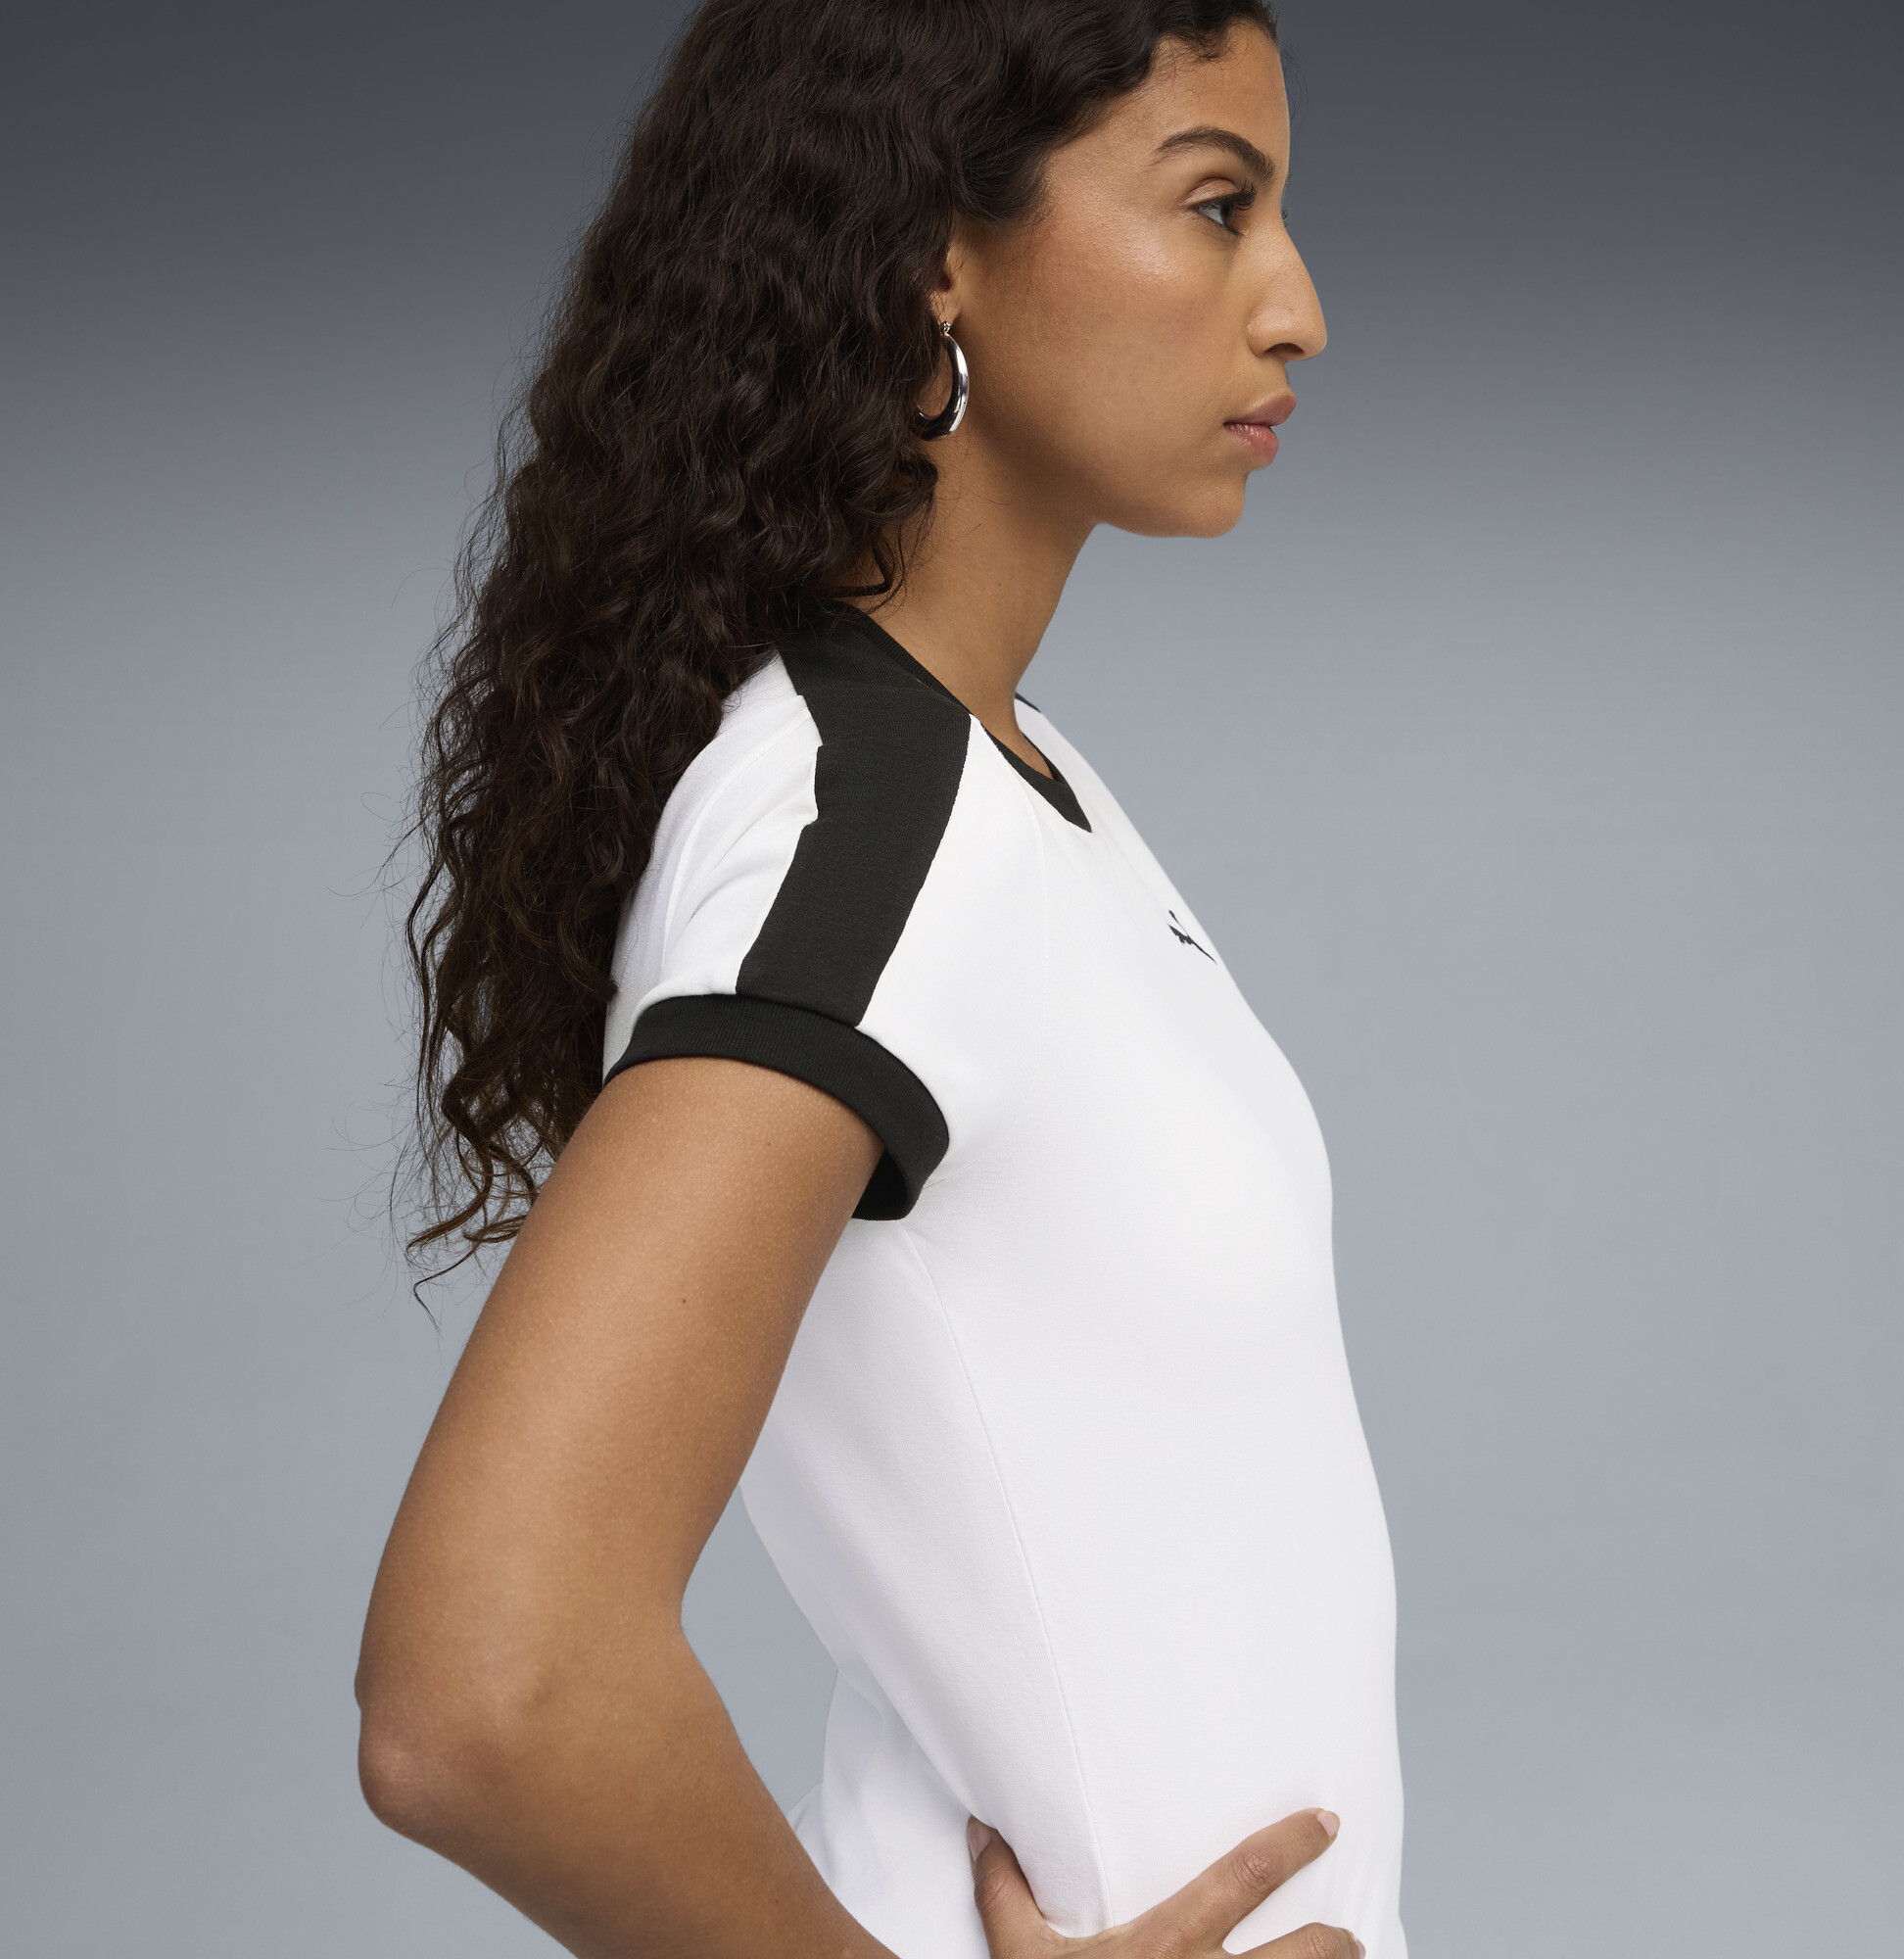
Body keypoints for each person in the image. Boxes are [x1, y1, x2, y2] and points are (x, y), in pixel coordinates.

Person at [356, 2, 1402, 1955]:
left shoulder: (1012, 782)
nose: (1299, 309)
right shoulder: (868, 826)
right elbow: (485, 1692)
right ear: (934, 254)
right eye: (1215, 208)